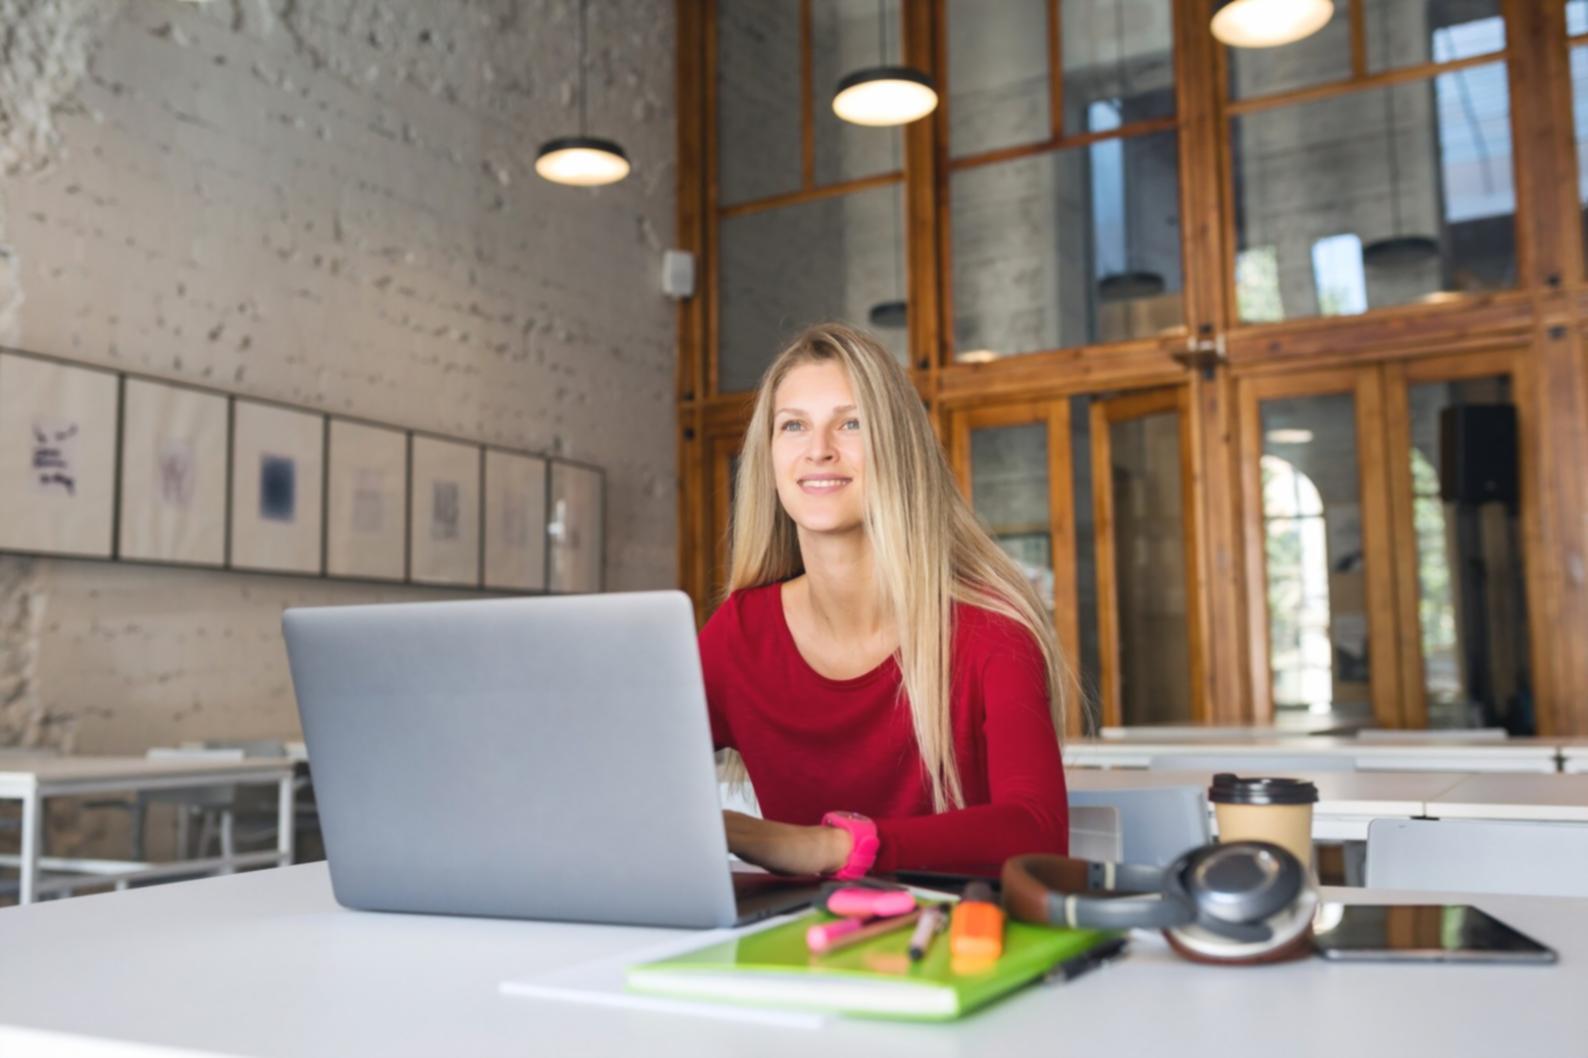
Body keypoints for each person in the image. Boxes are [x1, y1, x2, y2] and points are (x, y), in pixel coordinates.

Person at [700, 322, 1073, 880]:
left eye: (851, 423)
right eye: (794, 426)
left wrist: (828, 848)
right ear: (770, 456)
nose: (819, 450)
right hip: (799, 950)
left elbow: (1039, 830)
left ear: (897, 447)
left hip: (956, 942)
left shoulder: (989, 629)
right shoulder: (742, 632)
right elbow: (631, 776)